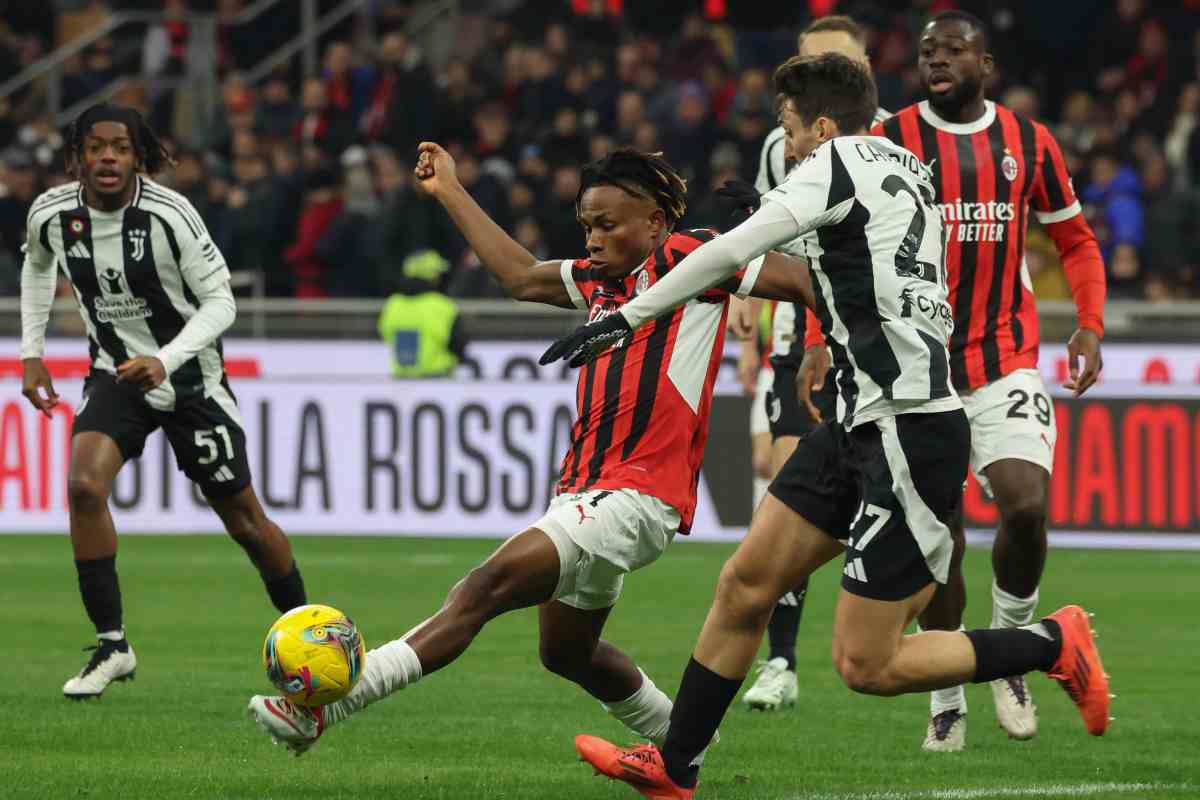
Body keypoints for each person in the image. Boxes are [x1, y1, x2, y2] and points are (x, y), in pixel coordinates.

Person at [545, 53, 1110, 800]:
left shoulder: (835, 160)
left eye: (788, 126)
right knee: (746, 585)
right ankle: (674, 766)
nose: (788, 144)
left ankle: (1049, 642)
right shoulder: (907, 167)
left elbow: (727, 253)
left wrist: (625, 316)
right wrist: (770, 213)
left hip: (908, 430)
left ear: (819, 123)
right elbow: (852, 260)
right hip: (856, 419)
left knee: (866, 665)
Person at [246, 145, 813, 755]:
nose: (593, 239)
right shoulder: (599, 282)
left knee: (482, 588)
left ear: (654, 223)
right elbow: (518, 275)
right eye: (587, 226)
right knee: (566, 652)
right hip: (587, 490)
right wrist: (450, 192)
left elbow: (805, 283)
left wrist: (826, 344)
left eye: (608, 224)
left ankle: (331, 707)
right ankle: (686, 744)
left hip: (638, 492)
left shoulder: (695, 257)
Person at [859, 10, 1106, 750]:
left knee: (1026, 506)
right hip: (918, 369)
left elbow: (1075, 238)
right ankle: (946, 695)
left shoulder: (1028, 142)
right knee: (942, 542)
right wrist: (817, 340)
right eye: (928, 51)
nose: (937, 61)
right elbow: (841, 242)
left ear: (985, 64)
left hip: (1005, 360)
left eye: (953, 50)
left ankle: (1011, 649)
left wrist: (1088, 322)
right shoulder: (890, 140)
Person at [19, 103, 307, 699]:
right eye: (95, 147)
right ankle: (112, 644)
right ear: (77, 155)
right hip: (116, 374)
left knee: (247, 524)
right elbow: (37, 268)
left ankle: (308, 633)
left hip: (190, 381)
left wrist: (166, 359)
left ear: (136, 155)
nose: (107, 158)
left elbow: (221, 303)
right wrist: (32, 351)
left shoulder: (170, 214)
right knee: (82, 487)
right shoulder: (50, 213)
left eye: (119, 148)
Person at [732, 12, 895, 713]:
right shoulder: (781, 144)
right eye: (809, 59)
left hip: (884, 344)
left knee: (901, 500)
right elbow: (780, 239)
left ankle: (935, 663)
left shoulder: (897, 139)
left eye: (835, 61)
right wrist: (749, 330)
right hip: (803, 328)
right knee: (786, 480)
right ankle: (782, 661)